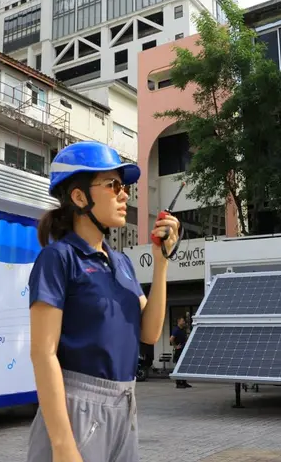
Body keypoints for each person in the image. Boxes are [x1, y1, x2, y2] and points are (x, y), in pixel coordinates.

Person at [26, 141, 180, 462]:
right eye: (113, 185)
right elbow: (43, 353)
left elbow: (149, 334)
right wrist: (64, 445)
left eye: (123, 186)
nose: (125, 194)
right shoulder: (59, 259)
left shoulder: (121, 262)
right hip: (77, 408)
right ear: (79, 197)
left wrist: (161, 261)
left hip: (125, 404)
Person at [170, 316, 191, 389]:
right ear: (179, 322)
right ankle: (178, 383)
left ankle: (184, 382)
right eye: (183, 321)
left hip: (183, 350)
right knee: (178, 367)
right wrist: (175, 346)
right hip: (179, 351)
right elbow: (171, 339)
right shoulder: (176, 330)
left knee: (183, 366)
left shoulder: (183, 330)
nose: (184, 322)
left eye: (184, 321)